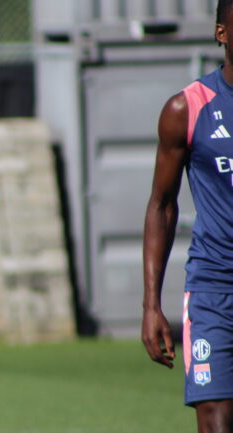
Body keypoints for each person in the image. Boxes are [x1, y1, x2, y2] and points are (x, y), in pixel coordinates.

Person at [143, 1, 233, 431]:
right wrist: (151, 305)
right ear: (222, 33)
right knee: (215, 416)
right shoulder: (188, 109)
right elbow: (161, 205)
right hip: (214, 288)